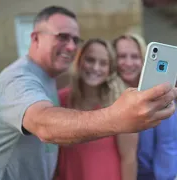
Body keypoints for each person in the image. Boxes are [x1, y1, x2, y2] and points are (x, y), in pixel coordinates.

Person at [0, 6, 177, 180]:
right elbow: (45, 125)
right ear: (35, 37)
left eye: (75, 40)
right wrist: (118, 117)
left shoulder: (47, 80)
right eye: (62, 37)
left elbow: (131, 158)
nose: (70, 46)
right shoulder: (18, 80)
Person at [54, 38, 138, 180]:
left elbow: (128, 159)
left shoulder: (120, 105)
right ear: (79, 61)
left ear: (110, 69)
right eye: (90, 60)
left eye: (103, 63)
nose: (95, 68)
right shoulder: (60, 100)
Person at [112, 33, 177, 180]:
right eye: (122, 56)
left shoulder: (158, 96)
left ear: (144, 59)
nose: (129, 63)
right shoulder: (108, 93)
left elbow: (168, 146)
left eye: (135, 56)